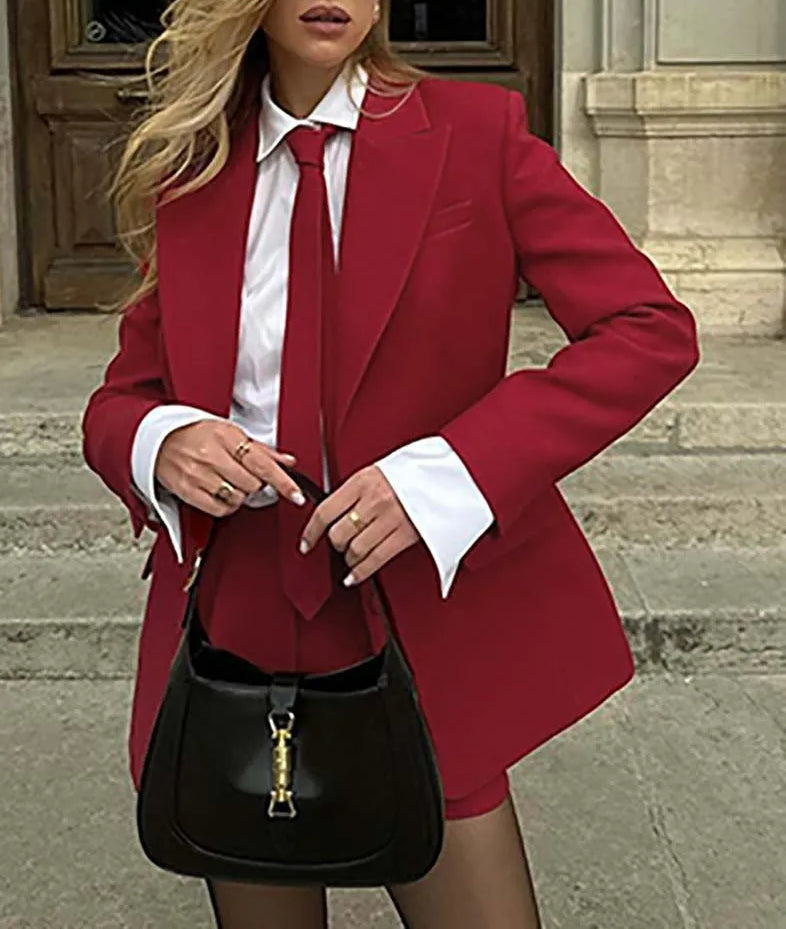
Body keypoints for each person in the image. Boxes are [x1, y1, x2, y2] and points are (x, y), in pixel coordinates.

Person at [81, 1, 700, 927]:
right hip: (236, 621)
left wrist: (446, 475)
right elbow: (119, 402)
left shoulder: (475, 132)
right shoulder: (196, 165)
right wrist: (161, 440)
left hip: (416, 611)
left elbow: (647, 329)